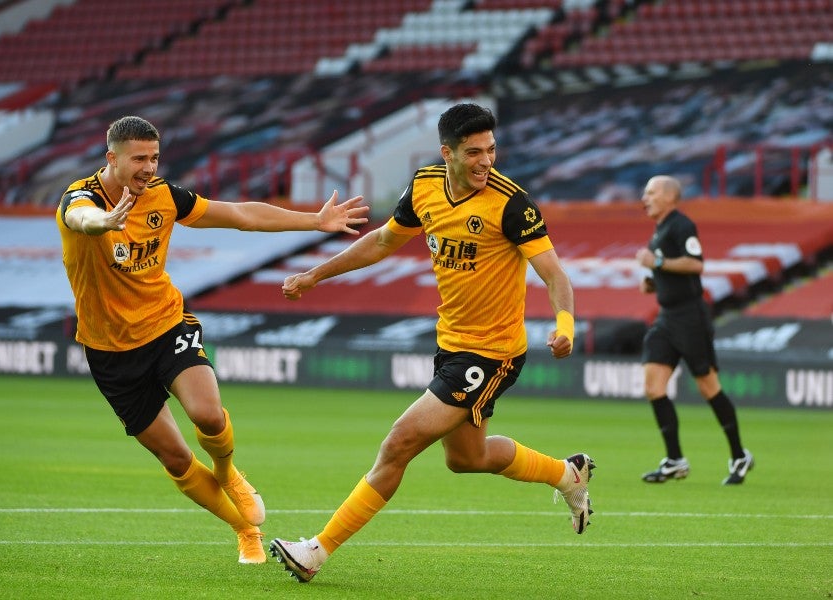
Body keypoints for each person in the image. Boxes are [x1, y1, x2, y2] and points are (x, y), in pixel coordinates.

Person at [269, 103, 595, 583]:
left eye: (492, 149)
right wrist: (316, 274)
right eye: (474, 152)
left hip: (492, 353)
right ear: (447, 153)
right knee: (467, 459)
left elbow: (555, 276)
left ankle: (316, 551)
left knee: (398, 443)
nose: (486, 161)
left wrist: (565, 325)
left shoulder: (512, 203)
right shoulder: (424, 186)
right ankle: (569, 475)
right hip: (452, 345)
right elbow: (383, 241)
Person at [56, 115, 368, 565]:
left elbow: (240, 214)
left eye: (154, 157)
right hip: (110, 351)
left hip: (165, 325)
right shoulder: (80, 198)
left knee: (208, 415)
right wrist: (104, 221)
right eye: (138, 159)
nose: (148, 167)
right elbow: (78, 217)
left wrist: (313, 221)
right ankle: (245, 530)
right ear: (112, 158)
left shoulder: (164, 196)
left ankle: (228, 473)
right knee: (177, 459)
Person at [635, 175, 753, 485]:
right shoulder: (660, 230)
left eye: (650, 193)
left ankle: (739, 455)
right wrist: (654, 283)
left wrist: (657, 262)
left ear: (670, 197)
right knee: (653, 385)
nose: (644, 198)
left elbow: (696, 264)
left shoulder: (681, 225)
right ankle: (675, 460)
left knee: (707, 386)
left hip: (690, 317)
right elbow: (669, 271)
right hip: (666, 317)